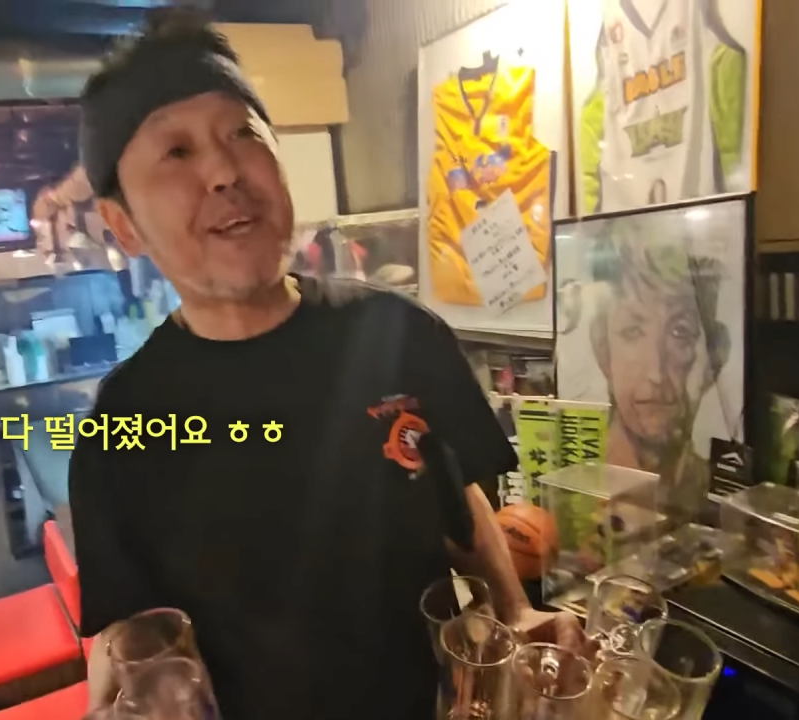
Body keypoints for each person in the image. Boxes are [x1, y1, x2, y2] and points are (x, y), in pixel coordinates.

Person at [70, 10, 587, 720]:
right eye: (177, 151)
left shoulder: (398, 333)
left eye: (242, 134)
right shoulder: (124, 421)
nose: (224, 170)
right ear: (123, 224)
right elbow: (127, 623)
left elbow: (453, 495)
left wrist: (514, 608)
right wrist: (113, 700)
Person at [584, 218, 731, 515]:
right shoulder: (578, 495)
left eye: (680, 332)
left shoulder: (716, 500)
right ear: (603, 349)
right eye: (632, 331)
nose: (656, 372)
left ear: (715, 359)